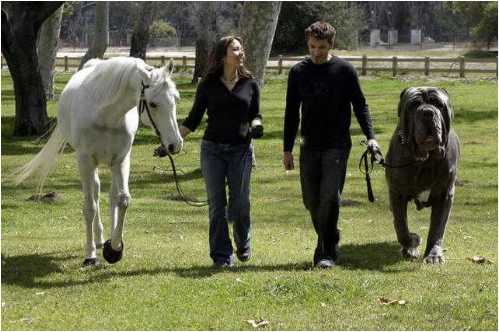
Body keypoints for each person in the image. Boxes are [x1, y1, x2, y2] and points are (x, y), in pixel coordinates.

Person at [282, 21, 380, 268]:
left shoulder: (344, 71)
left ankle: (325, 253)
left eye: (322, 47)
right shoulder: (298, 72)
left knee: (329, 197)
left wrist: (371, 136)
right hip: (308, 145)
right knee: (310, 200)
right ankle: (331, 235)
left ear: (331, 45)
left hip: (337, 145)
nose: (316, 52)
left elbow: (360, 105)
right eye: (313, 46)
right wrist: (287, 148)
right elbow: (291, 112)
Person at [180, 36, 263, 268]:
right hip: (212, 150)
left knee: (240, 203)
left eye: (240, 48)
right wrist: (173, 142)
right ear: (223, 55)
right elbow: (194, 118)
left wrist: (257, 125)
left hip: (241, 150)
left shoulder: (250, 84)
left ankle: (242, 241)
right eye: (234, 49)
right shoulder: (208, 85)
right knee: (217, 205)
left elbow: (256, 114)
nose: (240, 52)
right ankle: (221, 255)